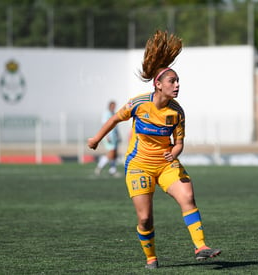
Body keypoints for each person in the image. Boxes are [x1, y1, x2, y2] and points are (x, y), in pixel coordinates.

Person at [87, 30, 221, 269]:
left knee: (188, 196)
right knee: (145, 218)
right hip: (139, 166)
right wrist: (96, 139)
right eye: (173, 81)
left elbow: (178, 142)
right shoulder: (139, 104)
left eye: (178, 81)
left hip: (166, 164)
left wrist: (176, 153)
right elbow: (115, 119)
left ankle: (201, 247)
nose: (177, 85)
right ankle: (151, 257)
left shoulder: (177, 112)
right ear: (158, 84)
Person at [94, 100, 121, 176]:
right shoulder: (106, 114)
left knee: (114, 154)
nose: (114, 107)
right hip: (109, 137)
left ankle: (113, 170)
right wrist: (106, 136)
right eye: (113, 106)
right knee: (111, 154)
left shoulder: (114, 114)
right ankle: (99, 167)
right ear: (110, 106)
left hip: (114, 137)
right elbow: (105, 125)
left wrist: (118, 135)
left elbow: (115, 126)